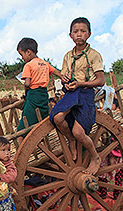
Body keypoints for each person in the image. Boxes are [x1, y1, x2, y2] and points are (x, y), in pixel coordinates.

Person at [49, 17, 106, 175]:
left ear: (89, 34)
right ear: (70, 35)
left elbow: (101, 80)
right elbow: (64, 76)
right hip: (71, 92)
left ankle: (95, 157)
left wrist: (81, 84)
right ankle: (71, 140)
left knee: (79, 132)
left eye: (82, 31)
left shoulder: (94, 55)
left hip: (85, 93)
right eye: (75, 31)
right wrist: (65, 80)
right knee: (57, 117)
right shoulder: (67, 56)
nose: (79, 34)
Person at [16, 37, 62, 142]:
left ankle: (22, 146)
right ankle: (39, 137)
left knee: (24, 125)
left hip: (33, 95)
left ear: (28, 52)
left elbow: (27, 83)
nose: (22, 58)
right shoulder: (45, 63)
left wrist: (25, 87)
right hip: (43, 95)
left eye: (21, 55)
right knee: (40, 118)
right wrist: (64, 78)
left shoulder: (28, 65)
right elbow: (58, 73)